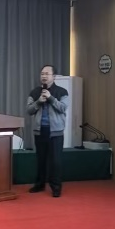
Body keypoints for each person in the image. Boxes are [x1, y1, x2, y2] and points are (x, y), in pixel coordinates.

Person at [25, 64, 70, 198]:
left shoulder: (62, 91)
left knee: (55, 161)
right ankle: (39, 184)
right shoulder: (34, 92)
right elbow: (29, 110)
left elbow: (63, 108)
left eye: (47, 74)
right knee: (41, 160)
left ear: (54, 76)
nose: (44, 76)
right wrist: (39, 101)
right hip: (40, 131)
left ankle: (56, 187)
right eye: (42, 74)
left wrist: (50, 98)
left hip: (56, 132)